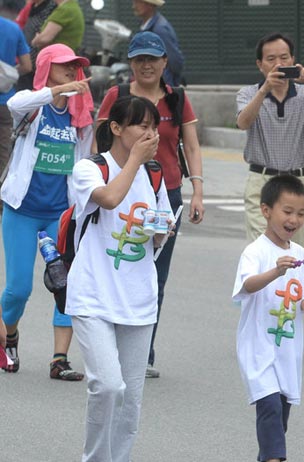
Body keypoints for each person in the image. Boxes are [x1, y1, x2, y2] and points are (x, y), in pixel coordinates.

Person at [69, 94, 171, 462]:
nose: (149, 134)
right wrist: (135, 163)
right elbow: (108, 199)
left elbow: (162, 229)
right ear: (116, 128)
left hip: (138, 297)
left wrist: (159, 228)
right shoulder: (89, 168)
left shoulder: (155, 176)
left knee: (131, 396)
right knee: (107, 385)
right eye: (139, 127)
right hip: (92, 294)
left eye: (153, 127)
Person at [96, 30, 204, 379]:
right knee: (117, 268)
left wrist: (197, 191)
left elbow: (191, 146)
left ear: (164, 62)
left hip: (164, 195)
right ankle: (108, 346)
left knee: (154, 276)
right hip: (121, 192)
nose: (146, 65)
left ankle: (143, 353)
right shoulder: (118, 95)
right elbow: (99, 142)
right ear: (131, 62)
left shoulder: (176, 98)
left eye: (152, 59)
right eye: (139, 58)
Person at [1, 44, 92, 380]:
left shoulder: (81, 116)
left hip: (60, 215)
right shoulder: (33, 108)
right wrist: (53, 91)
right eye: (64, 65)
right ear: (46, 67)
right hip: (22, 212)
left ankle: (59, 360)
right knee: (18, 289)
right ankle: (9, 335)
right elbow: (13, 101)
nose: (72, 71)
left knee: (66, 285)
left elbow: (82, 164)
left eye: (76, 67)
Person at [233, 175, 304, 462]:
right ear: (266, 210)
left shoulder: (300, 254)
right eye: (287, 211)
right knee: (267, 403)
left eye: (300, 213)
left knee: (280, 408)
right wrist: (275, 272)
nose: (294, 220)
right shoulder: (255, 252)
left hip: (287, 348)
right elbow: (247, 286)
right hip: (257, 345)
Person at [237, 32, 304, 247]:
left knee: (296, 249)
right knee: (261, 248)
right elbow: (243, 122)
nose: (278, 64)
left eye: (284, 58)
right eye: (271, 59)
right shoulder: (248, 93)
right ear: (260, 64)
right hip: (262, 180)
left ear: (293, 60)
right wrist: (265, 90)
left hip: (296, 181)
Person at [0, 14, 32, 196]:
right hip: (6, 101)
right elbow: (27, 66)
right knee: (4, 148)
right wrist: (8, 74)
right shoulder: (13, 29)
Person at [132, 0, 185, 87]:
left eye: (138, 3)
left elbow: (174, 60)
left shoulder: (160, 29)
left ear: (150, 6)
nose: (134, 7)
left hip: (161, 86)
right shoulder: (146, 26)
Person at [14, 0, 54, 91]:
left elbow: (43, 36)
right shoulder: (31, 6)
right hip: (23, 55)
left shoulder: (51, 7)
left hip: (37, 59)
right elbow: (19, 23)